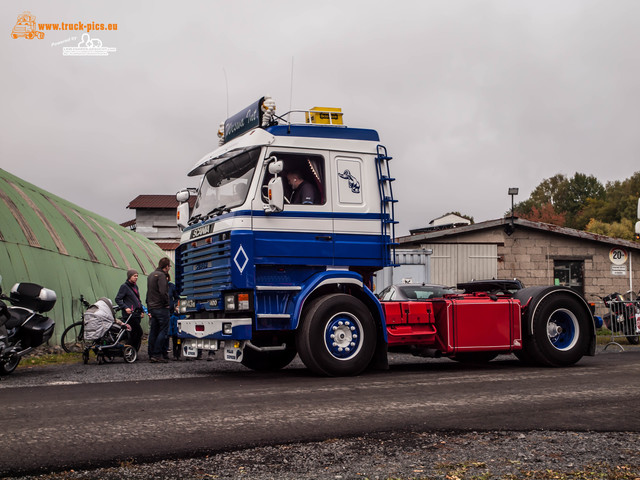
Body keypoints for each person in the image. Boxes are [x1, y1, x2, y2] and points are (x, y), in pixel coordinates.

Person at [146, 257, 171, 363]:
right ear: (166, 267)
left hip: (152, 307)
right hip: (160, 307)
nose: (169, 268)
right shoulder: (161, 276)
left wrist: (149, 307)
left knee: (153, 331)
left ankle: (151, 353)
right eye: (169, 266)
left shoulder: (151, 275)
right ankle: (157, 354)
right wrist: (167, 304)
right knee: (163, 330)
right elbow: (163, 292)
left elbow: (149, 292)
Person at [114, 269, 144, 353]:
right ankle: (128, 350)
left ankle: (133, 352)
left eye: (137, 276)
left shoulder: (135, 286)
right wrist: (125, 307)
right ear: (129, 276)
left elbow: (138, 300)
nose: (136, 277)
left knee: (135, 334)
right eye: (134, 276)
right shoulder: (124, 287)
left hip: (136, 314)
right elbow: (118, 299)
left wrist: (142, 311)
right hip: (130, 315)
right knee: (138, 332)